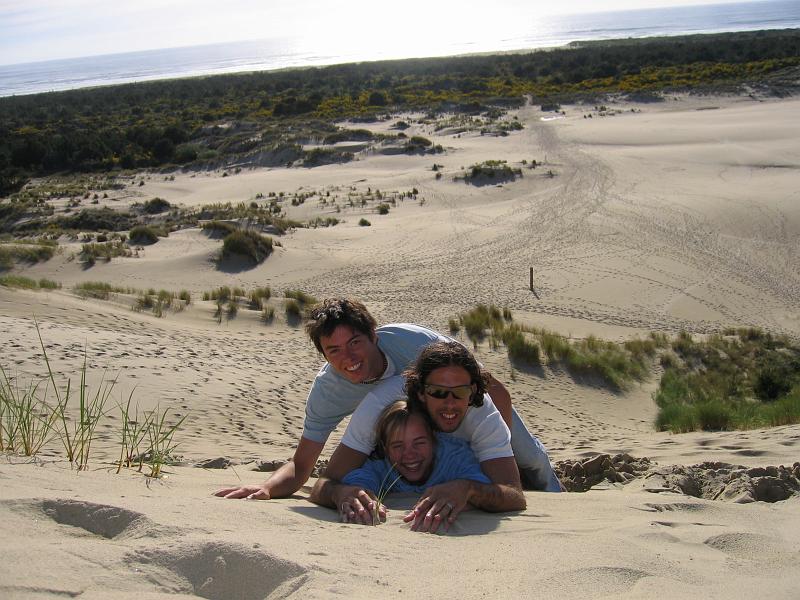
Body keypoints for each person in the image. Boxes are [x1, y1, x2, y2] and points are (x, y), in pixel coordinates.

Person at [215, 298, 560, 502]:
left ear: (373, 336)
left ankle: (559, 497)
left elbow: (495, 390)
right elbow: (301, 467)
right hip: (402, 428)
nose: (347, 357)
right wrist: (266, 488)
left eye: (355, 343)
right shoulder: (327, 391)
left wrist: (489, 443)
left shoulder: (415, 344)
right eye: (333, 350)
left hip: (459, 405)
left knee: (529, 458)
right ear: (323, 354)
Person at [311, 341, 528, 533]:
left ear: (472, 391)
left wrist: (469, 489)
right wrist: (342, 493)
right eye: (438, 392)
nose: (450, 403)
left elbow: (514, 495)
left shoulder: (481, 421)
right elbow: (328, 482)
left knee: (535, 462)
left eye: (460, 392)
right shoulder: (378, 407)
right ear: (421, 393)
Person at [319, 399, 493, 531]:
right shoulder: (380, 463)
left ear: (434, 440)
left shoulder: (455, 457)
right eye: (397, 446)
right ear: (385, 449)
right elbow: (358, 488)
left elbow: (489, 491)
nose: (409, 454)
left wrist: (468, 490)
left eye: (419, 443)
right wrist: (347, 495)